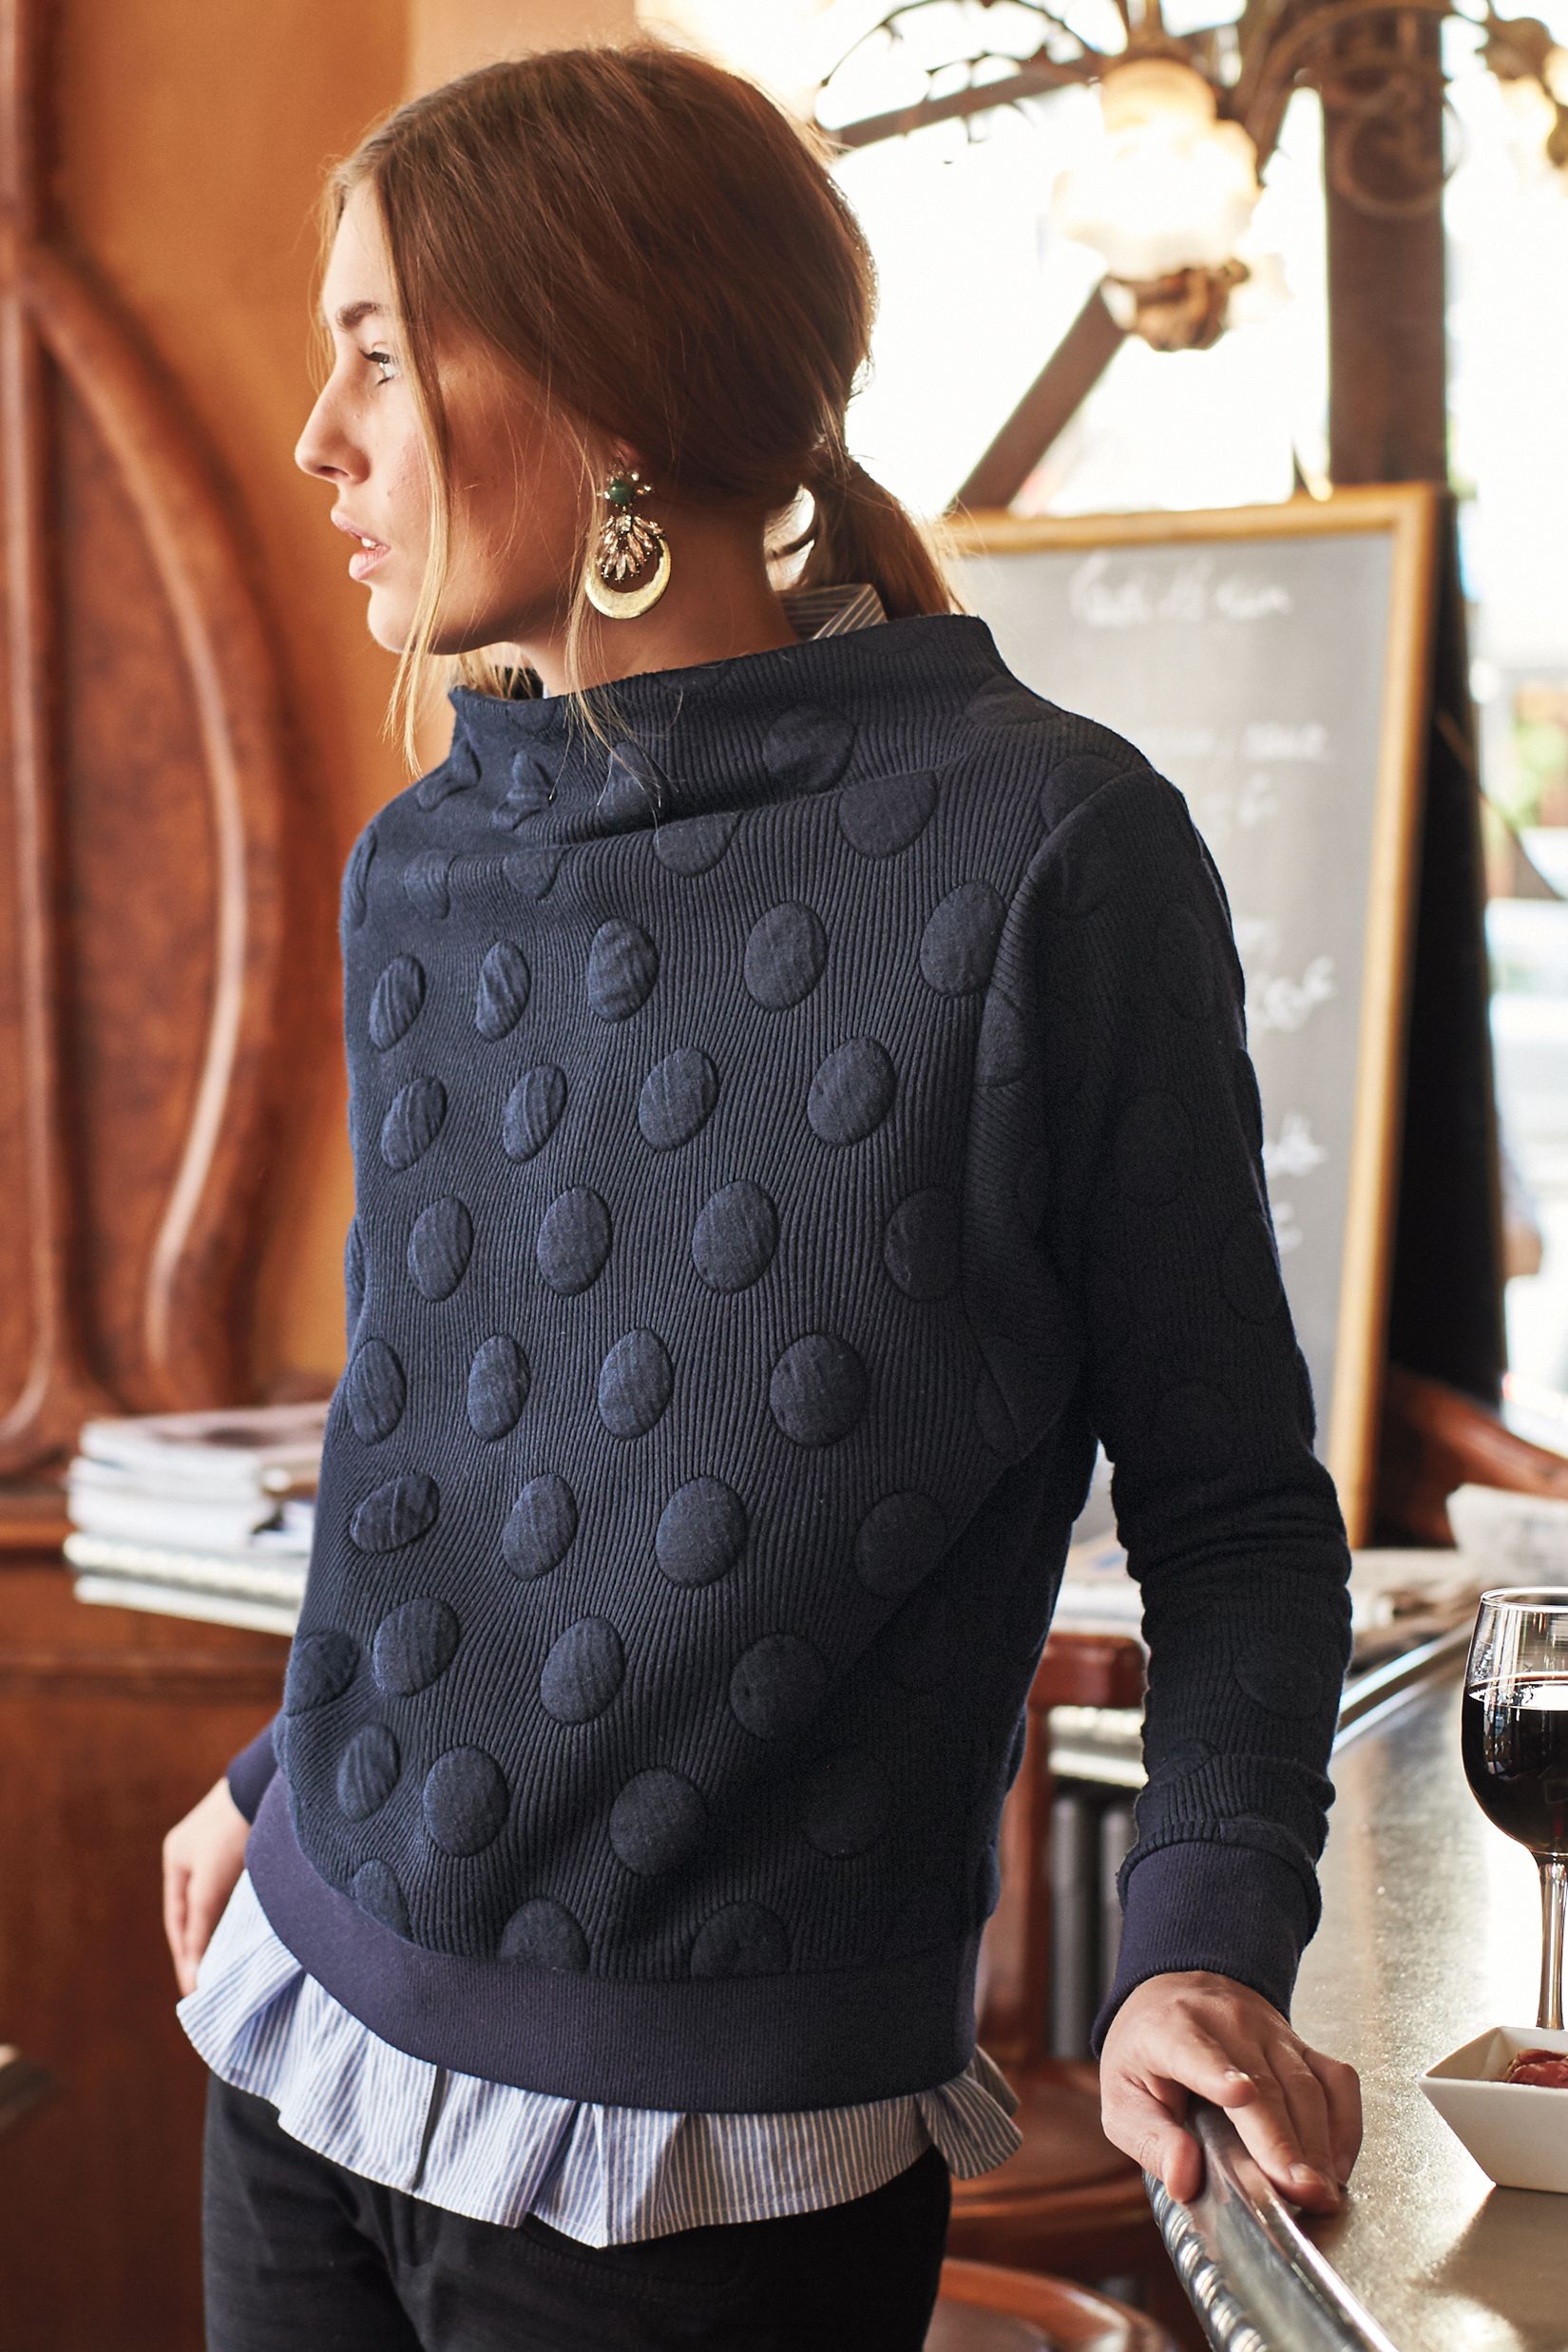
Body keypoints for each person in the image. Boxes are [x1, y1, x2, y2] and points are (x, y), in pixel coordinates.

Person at [160, 35, 1362, 2352]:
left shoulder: (1053, 854)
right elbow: (455, 1450)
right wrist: (284, 1769)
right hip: (298, 2033)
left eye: (379, 355)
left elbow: (1231, 1506)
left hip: (703, 2171)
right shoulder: (421, 863)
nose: (320, 434)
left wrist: (1199, 1938)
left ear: (607, 395)